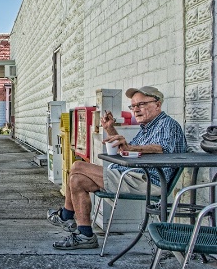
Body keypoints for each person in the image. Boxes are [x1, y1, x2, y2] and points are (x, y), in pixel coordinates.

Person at [47, 86, 187, 250]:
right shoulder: (147, 128)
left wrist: (131, 148)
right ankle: (85, 235)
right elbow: (126, 149)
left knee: (78, 166)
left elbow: (161, 148)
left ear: (158, 104)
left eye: (141, 104)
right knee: (77, 179)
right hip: (131, 177)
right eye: (133, 106)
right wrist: (109, 128)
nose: (136, 109)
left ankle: (65, 215)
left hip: (147, 181)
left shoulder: (166, 124)